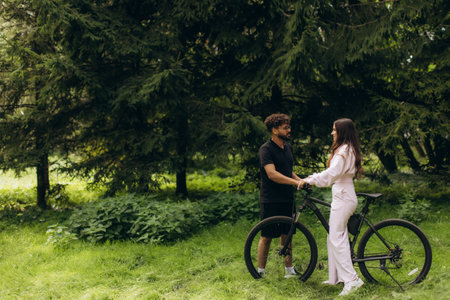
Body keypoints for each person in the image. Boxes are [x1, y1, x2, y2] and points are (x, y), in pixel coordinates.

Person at [298, 118, 364, 296]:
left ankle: (351, 280)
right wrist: (312, 178)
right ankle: (336, 277)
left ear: (341, 132)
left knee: (336, 237)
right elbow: (332, 175)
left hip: (343, 196)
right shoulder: (348, 149)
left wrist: (310, 179)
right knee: (333, 236)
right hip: (343, 194)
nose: (332, 133)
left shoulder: (343, 151)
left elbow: (331, 174)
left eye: (334, 130)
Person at [257, 113, 303, 278]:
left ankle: (289, 270)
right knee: (266, 236)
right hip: (271, 199)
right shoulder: (266, 149)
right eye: (285, 128)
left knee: (287, 235)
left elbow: (287, 170)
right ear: (274, 130)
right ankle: (260, 271)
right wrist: (294, 182)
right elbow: (272, 174)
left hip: (287, 198)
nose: (289, 130)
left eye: (289, 127)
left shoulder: (287, 147)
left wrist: (301, 181)